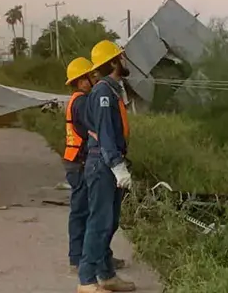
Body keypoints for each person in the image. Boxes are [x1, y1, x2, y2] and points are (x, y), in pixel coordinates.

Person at [76, 40, 135, 293]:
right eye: (122, 57)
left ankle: (106, 274)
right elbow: (106, 132)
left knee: (109, 222)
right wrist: (116, 165)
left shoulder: (111, 90)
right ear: (113, 62)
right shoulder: (102, 92)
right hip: (103, 163)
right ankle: (87, 280)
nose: (125, 60)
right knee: (100, 222)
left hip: (106, 160)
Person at [62, 57, 126, 274]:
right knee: (85, 213)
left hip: (78, 161)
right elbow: (99, 126)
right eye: (90, 76)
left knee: (92, 213)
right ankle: (79, 259)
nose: (94, 78)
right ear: (81, 81)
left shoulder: (78, 100)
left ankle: (99, 258)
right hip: (80, 162)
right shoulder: (81, 102)